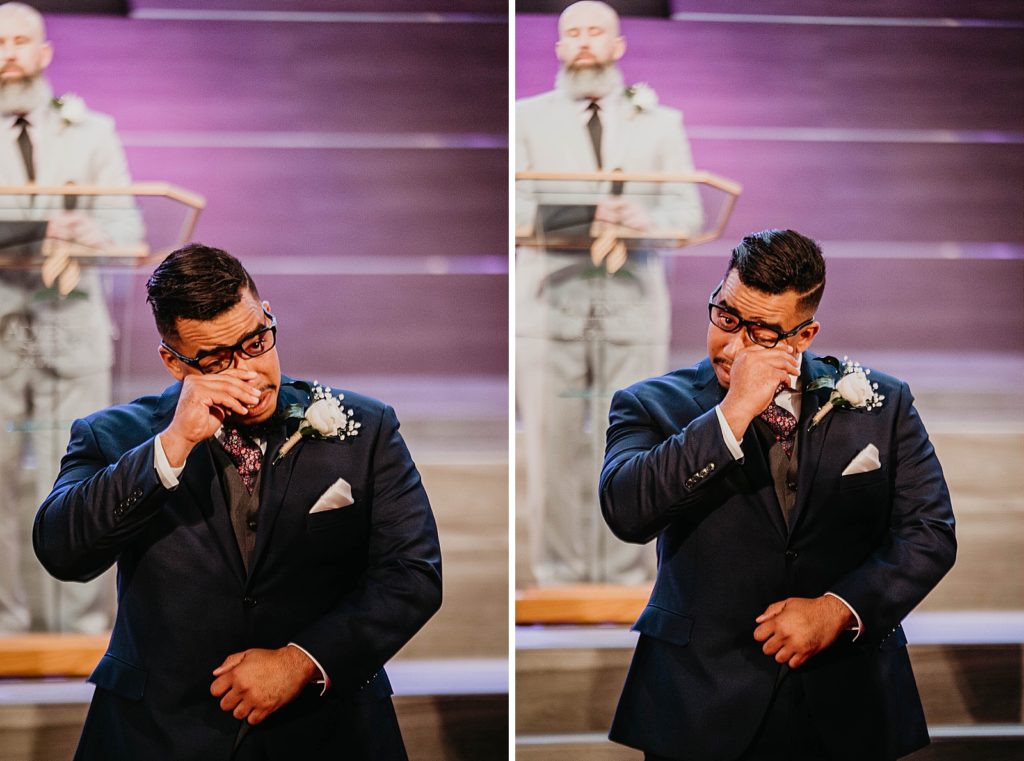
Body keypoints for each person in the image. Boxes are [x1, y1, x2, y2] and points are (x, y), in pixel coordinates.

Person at [33, 244, 442, 760]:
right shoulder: (114, 436)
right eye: (217, 360)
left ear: (267, 314)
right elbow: (60, 551)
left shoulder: (366, 427)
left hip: (327, 732)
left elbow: (413, 574)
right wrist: (173, 445)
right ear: (174, 361)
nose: (249, 370)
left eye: (256, 342)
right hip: (158, 735)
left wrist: (301, 661)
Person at [600, 228, 956, 760]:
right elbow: (627, 511)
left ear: (804, 335)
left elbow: (929, 534)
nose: (734, 344)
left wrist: (839, 608)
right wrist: (731, 414)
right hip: (701, 701)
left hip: (848, 697)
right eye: (725, 317)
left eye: (762, 332)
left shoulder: (884, 403)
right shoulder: (649, 404)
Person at [516, 0, 702, 585]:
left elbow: (689, 212)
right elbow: (515, 208)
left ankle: (626, 576)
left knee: (635, 443)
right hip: (550, 304)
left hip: (633, 304)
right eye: (573, 32)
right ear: (559, 48)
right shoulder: (527, 117)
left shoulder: (660, 121)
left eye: (597, 31)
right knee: (551, 444)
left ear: (619, 45)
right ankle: (559, 575)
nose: (585, 41)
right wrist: (589, 212)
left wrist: (638, 216)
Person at [0, 1, 142, 633]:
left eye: (21, 40)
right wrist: (47, 225)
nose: (9, 52)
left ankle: (81, 632)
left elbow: (128, 226)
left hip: (72, 324)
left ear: (44, 52)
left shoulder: (92, 130)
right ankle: (5, 627)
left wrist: (83, 234)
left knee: (82, 484)